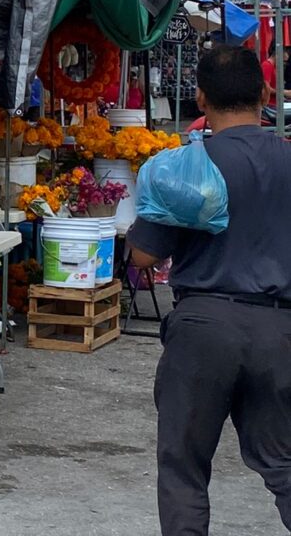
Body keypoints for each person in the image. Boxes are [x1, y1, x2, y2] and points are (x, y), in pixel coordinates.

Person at [127, 46, 291, 535]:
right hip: (278, 331)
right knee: (284, 462)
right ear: (265, 94)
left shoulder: (183, 168)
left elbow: (145, 258)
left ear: (199, 97)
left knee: (183, 468)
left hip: (202, 328)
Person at [261, 41, 291, 107]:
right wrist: (285, 92)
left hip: (276, 104)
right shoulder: (267, 66)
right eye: (283, 61)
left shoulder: (274, 67)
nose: (283, 64)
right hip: (270, 106)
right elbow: (267, 88)